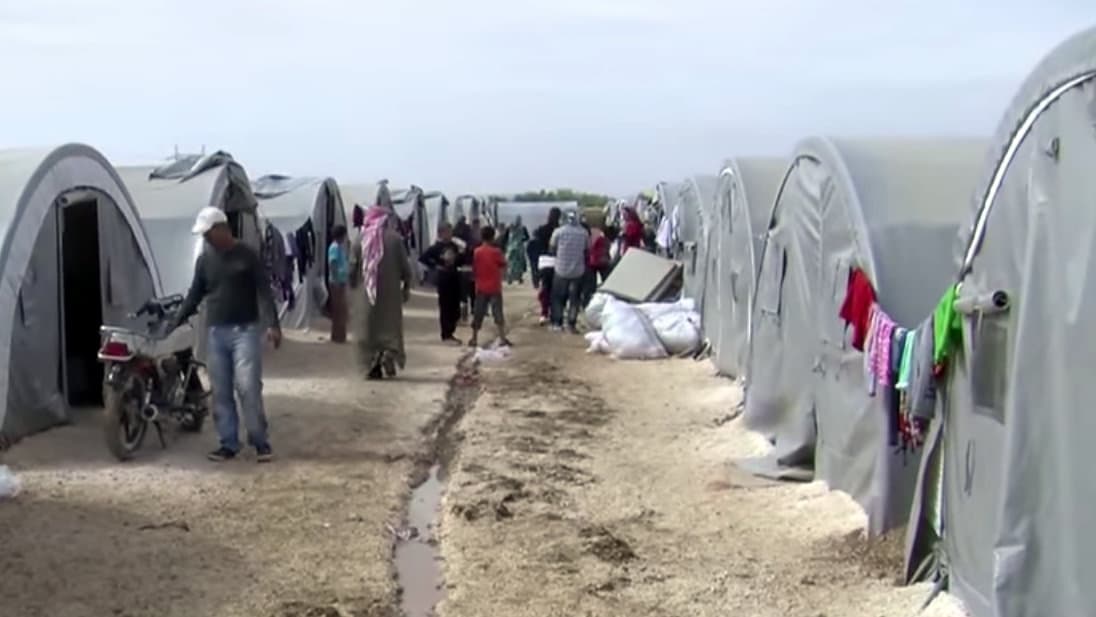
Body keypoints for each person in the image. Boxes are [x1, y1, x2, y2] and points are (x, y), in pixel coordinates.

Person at [170, 207, 281, 463]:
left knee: (247, 387)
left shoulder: (247, 256)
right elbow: (195, 294)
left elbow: (264, 292)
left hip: (245, 331)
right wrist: (178, 319)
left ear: (222, 228)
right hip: (216, 332)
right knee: (220, 390)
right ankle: (228, 443)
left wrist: (273, 325)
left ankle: (260, 441)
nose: (206, 239)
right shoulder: (205, 260)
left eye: (208, 233)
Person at [355, 204, 413, 380]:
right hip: (390, 293)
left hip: (366, 293)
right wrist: (407, 287)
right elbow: (405, 268)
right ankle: (388, 353)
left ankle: (372, 363)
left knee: (368, 328)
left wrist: (352, 286)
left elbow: (352, 267)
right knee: (390, 326)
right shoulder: (395, 239)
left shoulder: (360, 240)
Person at [419, 222, 465, 345]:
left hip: (454, 277)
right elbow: (423, 258)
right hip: (444, 278)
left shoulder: (454, 246)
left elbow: (460, 261)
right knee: (445, 306)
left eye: (451, 232)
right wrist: (435, 265)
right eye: (447, 232)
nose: (449, 234)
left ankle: (451, 331)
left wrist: (461, 255)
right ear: (441, 233)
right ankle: (446, 334)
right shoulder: (436, 248)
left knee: (455, 308)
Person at [469, 226, 511, 348]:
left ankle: (474, 338)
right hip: (494, 286)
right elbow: (503, 266)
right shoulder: (496, 252)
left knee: (478, 313)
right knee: (498, 313)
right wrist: (502, 276)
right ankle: (502, 338)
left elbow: (474, 268)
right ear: (493, 237)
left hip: (481, 286)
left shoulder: (477, 252)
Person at [549, 212, 590, 333]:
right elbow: (587, 250)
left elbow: (552, 248)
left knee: (558, 298)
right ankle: (571, 324)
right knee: (575, 299)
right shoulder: (584, 233)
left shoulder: (558, 232)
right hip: (578, 270)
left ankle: (557, 323)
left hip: (561, 270)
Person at [532, 208, 562, 325]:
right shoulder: (560, 230)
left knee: (545, 288)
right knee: (556, 290)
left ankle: (544, 313)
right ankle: (555, 314)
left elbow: (535, 246)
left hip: (544, 261)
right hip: (557, 262)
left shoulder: (541, 230)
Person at [327, 225, 350, 343]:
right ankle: (338, 336)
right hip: (337, 283)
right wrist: (336, 279)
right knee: (339, 310)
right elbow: (333, 263)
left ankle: (340, 335)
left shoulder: (339, 247)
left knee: (340, 310)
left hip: (340, 281)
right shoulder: (334, 247)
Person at [583, 224, 611, 306]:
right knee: (606, 282)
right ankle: (607, 300)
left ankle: (587, 303)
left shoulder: (587, 237)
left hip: (591, 263)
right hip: (603, 262)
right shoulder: (602, 237)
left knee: (590, 285)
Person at [505, 215, 529, 284]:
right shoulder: (523, 228)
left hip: (511, 248)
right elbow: (527, 237)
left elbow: (505, 238)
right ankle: (518, 278)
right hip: (519, 248)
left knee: (511, 263)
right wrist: (521, 240)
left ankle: (511, 278)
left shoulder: (509, 228)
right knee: (519, 264)